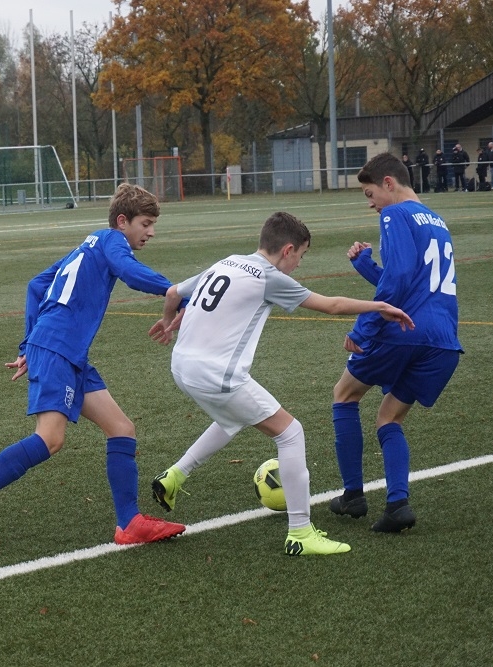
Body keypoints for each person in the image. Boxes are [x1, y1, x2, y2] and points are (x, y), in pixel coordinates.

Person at [148, 212, 414, 556]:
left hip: (181, 366)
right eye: (301, 256)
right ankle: (300, 533)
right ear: (288, 250)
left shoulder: (227, 261)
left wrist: (168, 321)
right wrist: (379, 306)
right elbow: (331, 305)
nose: (299, 264)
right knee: (290, 433)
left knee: (232, 419)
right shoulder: (268, 276)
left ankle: (174, 475)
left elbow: (173, 293)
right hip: (216, 374)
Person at [0, 183, 186, 547]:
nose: (150, 232)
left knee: (121, 428)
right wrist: (177, 293)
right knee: (50, 438)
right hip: (58, 348)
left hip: (66, 352)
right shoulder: (112, 240)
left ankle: (129, 523)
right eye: (146, 224)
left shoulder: (90, 244)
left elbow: (36, 285)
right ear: (123, 221)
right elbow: (128, 271)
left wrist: (28, 344)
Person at [329, 152, 462, 533]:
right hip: (443, 340)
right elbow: (413, 282)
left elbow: (401, 278)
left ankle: (353, 495)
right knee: (389, 417)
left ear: (388, 182)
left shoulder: (395, 214)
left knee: (345, 395)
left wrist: (364, 327)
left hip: (405, 330)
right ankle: (397, 505)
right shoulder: (436, 220)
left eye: (370, 194)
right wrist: (367, 267)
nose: (371, 204)